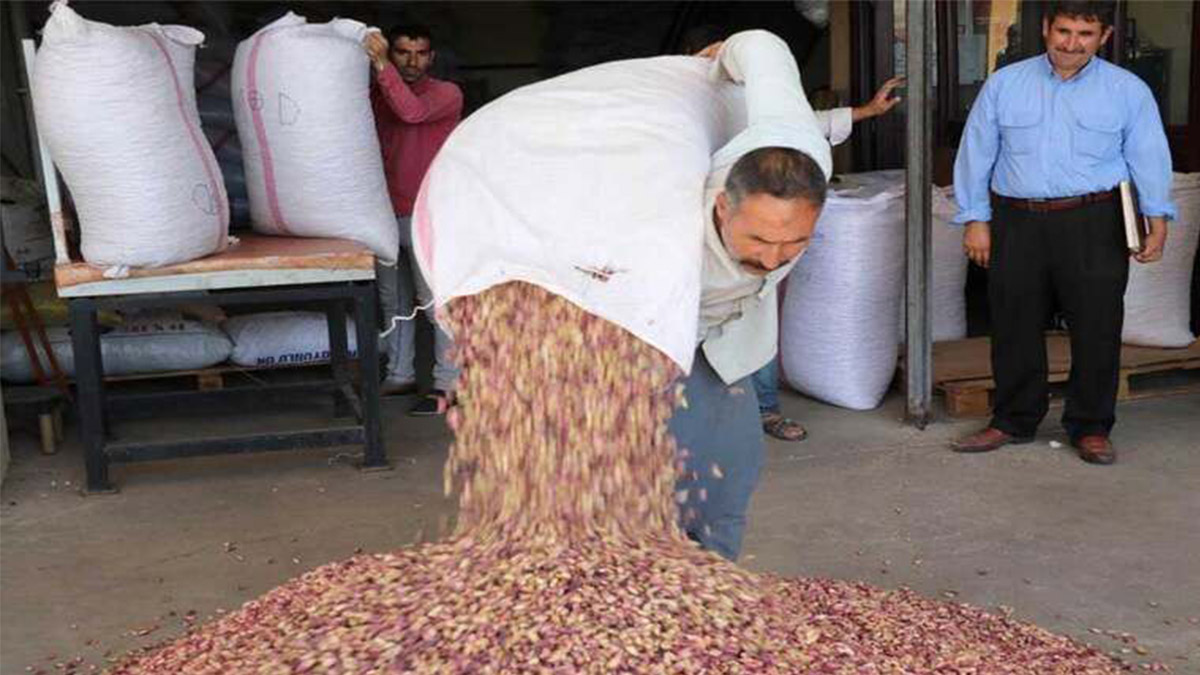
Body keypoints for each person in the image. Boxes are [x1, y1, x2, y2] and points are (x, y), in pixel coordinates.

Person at [950, 0, 1174, 465]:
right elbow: (976, 153)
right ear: (1046, 29)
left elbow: (1149, 154)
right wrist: (976, 219)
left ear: (1104, 37)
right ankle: (1012, 419)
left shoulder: (1126, 91)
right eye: (1064, 31)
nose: (1072, 44)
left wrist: (1158, 217)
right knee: (1013, 324)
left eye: (1085, 34)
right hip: (1017, 220)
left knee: (1097, 325)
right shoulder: (1006, 84)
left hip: (1094, 221)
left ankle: (1091, 426)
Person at [672, 32, 833, 561]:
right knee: (649, 481)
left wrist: (720, 56)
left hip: (732, 342)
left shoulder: (797, 142)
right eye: (759, 241)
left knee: (730, 472)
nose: (772, 260)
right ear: (721, 208)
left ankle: (713, 591)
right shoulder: (661, 220)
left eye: (794, 243)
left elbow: (766, 50)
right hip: (652, 335)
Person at [752, 77, 904, 442]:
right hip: (700, 230)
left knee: (756, 320)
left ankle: (764, 410)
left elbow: (808, 122)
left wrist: (867, 111)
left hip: (751, 228)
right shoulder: (694, 109)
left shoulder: (757, 106)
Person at [363, 24, 464, 416]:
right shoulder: (380, 94)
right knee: (394, 301)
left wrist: (380, 62)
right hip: (383, 214)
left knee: (435, 303)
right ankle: (400, 373)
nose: (411, 61)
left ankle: (447, 384)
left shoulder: (445, 95)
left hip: (428, 213)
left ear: (432, 58)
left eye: (420, 53)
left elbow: (411, 112)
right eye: (403, 52)